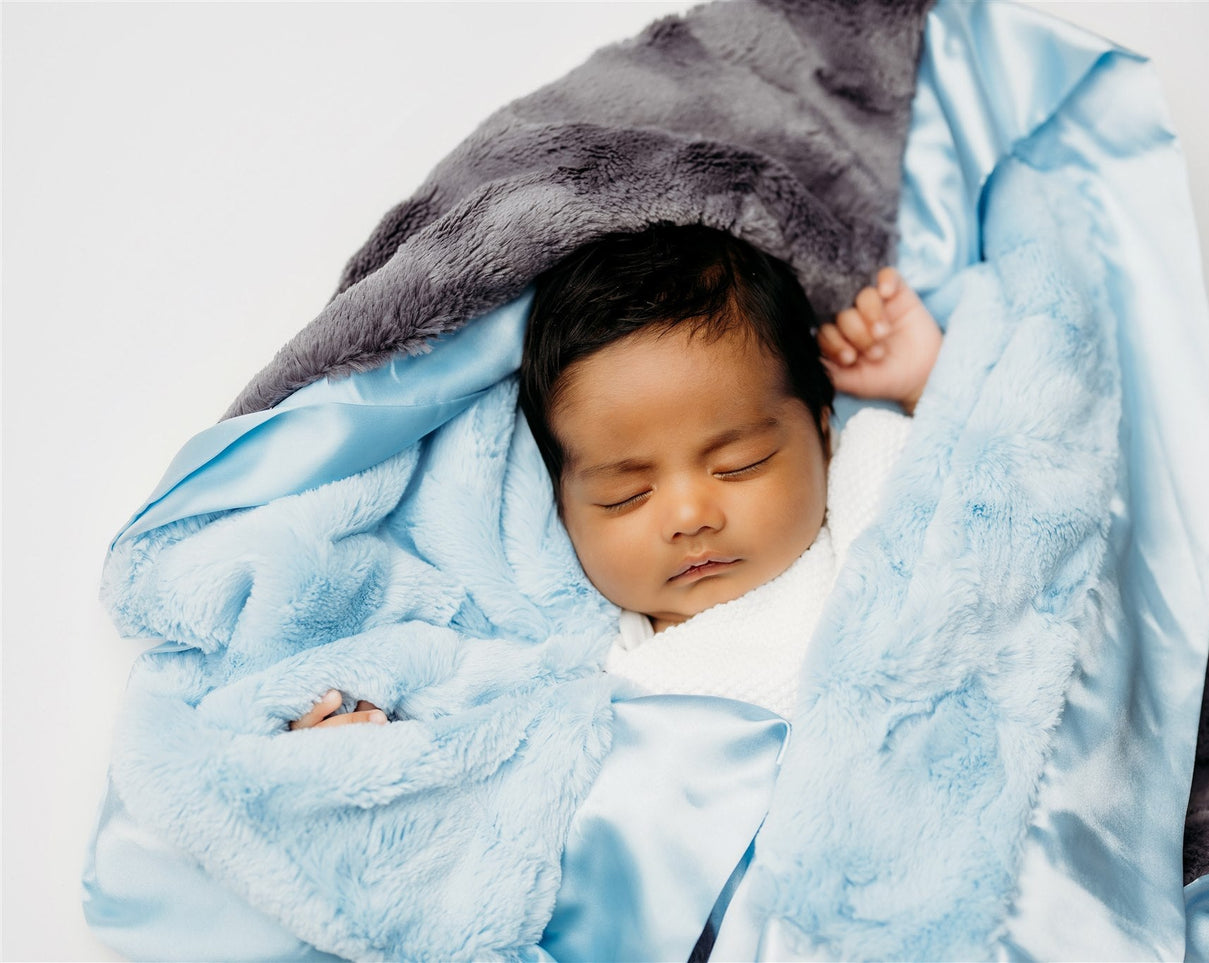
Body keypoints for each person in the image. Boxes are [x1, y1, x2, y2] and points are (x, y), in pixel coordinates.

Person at [289, 223, 943, 728]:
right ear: (562, 508)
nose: (690, 515)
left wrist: (927, 383)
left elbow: (992, 497)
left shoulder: (867, 497)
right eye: (623, 495)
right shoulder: (584, 665)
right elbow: (485, 753)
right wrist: (355, 746)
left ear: (823, 434)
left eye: (738, 463)